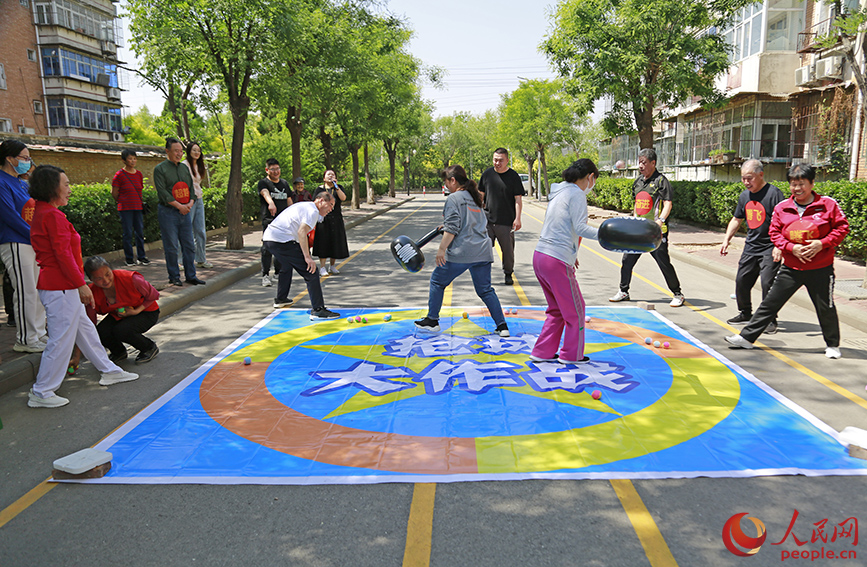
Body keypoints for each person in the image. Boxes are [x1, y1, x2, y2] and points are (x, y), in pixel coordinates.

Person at [27, 165, 138, 408]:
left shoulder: (47, 212)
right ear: (51, 187)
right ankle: (42, 390)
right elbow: (62, 255)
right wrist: (80, 284)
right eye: (65, 184)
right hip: (61, 286)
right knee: (61, 339)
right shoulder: (51, 215)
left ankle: (109, 370)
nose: (69, 189)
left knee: (85, 330)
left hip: (61, 285)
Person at [725, 164, 849, 358]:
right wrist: (791, 248)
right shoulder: (782, 207)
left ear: (812, 183)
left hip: (820, 268)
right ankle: (747, 338)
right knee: (770, 303)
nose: (797, 188)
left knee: (826, 307)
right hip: (791, 267)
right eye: (793, 184)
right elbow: (774, 232)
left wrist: (822, 244)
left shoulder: (828, 205)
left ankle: (832, 345)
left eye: (801, 184)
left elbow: (842, 228)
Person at [415, 165, 509, 337]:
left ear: (453, 180)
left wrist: (441, 249)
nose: (446, 186)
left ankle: (433, 320)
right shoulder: (475, 197)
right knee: (485, 290)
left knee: (437, 281)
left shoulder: (454, 198)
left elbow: (452, 228)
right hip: (482, 250)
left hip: (462, 252)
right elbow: (471, 221)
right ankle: (502, 326)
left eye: (446, 182)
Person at [530, 159, 600, 364]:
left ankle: (542, 352)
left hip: (541, 257)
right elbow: (580, 228)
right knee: (576, 311)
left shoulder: (560, 192)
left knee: (556, 309)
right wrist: (605, 234)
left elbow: (562, 225)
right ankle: (572, 355)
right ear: (590, 177)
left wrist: (573, 253)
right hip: (556, 260)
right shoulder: (576, 194)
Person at [609, 148, 685, 307]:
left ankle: (678, 293)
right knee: (627, 260)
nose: (640, 166)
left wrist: (661, 220)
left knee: (663, 263)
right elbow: (638, 205)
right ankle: (624, 291)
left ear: (653, 163)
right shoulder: (638, 182)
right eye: (639, 162)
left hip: (655, 233)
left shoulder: (661, 181)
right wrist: (632, 222)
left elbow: (668, 204)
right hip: (639, 232)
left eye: (644, 162)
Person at [720, 160, 785, 333]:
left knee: (767, 283)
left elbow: (785, 222)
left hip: (770, 246)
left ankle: (770, 319)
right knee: (742, 280)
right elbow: (737, 219)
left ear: (761, 175)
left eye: (750, 178)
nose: (746, 182)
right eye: (743, 179)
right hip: (751, 246)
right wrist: (727, 239)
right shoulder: (744, 196)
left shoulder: (774, 194)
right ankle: (745, 312)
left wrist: (780, 245)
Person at [262, 192, 341, 320]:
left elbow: (299, 234)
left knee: (286, 266)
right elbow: (301, 232)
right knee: (311, 271)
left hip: (270, 239)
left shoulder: (306, 206)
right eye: (330, 205)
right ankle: (318, 309)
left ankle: (281, 298)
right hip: (281, 240)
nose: (331, 209)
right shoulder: (313, 211)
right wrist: (307, 257)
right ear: (320, 201)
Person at [0, 139, 47, 353]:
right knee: (26, 290)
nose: (28, 162)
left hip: (30, 242)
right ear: (9, 158)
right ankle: (26, 339)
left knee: (37, 290)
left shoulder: (20, 182)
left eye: (29, 158)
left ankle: (38, 334)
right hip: (15, 242)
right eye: (24, 158)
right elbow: (9, 215)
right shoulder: (1, 181)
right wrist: (34, 235)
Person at [84, 255, 160, 364]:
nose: (105, 281)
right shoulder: (91, 293)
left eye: (107, 274)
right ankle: (118, 352)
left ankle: (148, 347)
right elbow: (90, 322)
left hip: (146, 311)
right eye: (99, 278)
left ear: (111, 270)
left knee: (122, 330)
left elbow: (153, 295)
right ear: (91, 279)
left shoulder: (131, 279)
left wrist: (136, 311)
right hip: (119, 315)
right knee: (100, 331)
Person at [154, 137, 205, 287]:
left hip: (185, 210)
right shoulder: (160, 169)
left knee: (189, 244)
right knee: (171, 246)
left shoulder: (184, 168)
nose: (179, 154)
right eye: (176, 151)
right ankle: (174, 276)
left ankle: (191, 275)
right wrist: (178, 206)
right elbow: (163, 192)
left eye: (181, 151)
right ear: (167, 151)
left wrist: (189, 203)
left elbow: (191, 189)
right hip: (168, 212)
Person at [478, 148, 525, 285]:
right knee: (483, 250)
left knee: (508, 251)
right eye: (495, 160)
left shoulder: (513, 176)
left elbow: (518, 200)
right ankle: (483, 276)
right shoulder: (487, 174)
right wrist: (477, 215)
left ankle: (508, 273)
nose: (497, 163)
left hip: (506, 222)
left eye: (500, 160)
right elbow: (481, 196)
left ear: (507, 161)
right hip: (487, 220)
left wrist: (517, 218)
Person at [111, 149, 149, 267]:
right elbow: (114, 192)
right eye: (130, 158)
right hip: (125, 207)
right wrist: (121, 201)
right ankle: (129, 258)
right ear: (124, 160)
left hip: (137, 207)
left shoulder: (138, 174)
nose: (133, 161)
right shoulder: (119, 175)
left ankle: (141, 257)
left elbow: (140, 190)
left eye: (134, 158)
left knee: (139, 232)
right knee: (127, 233)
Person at [257, 158, 291, 287]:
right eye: (272, 169)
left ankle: (277, 272)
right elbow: (265, 193)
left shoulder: (284, 183)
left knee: (280, 246)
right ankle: (265, 275)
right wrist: (271, 203)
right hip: (269, 220)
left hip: (283, 221)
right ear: (267, 170)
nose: (276, 171)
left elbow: (289, 200)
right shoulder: (263, 183)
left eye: (277, 169)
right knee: (267, 248)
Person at [312, 170, 349, 276]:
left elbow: (343, 198)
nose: (331, 176)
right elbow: (315, 202)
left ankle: (332, 266)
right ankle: (322, 267)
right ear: (324, 178)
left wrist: (336, 187)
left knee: (335, 241)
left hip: (336, 218)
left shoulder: (338, 188)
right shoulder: (320, 189)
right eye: (328, 174)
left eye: (333, 174)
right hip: (323, 218)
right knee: (323, 242)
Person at [184, 141, 212, 269]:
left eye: (198, 151)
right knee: (186, 230)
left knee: (200, 230)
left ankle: (201, 259)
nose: (197, 153)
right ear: (189, 151)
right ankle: (180, 260)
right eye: (194, 150)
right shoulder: (184, 166)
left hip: (199, 199)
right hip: (188, 200)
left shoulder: (200, 166)